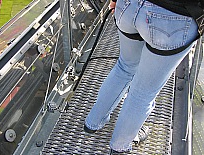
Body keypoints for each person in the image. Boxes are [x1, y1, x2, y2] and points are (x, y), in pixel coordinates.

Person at [84, 0, 204, 154]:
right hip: (174, 18)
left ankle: (92, 123)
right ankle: (119, 146)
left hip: (128, 6)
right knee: (142, 92)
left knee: (124, 67)